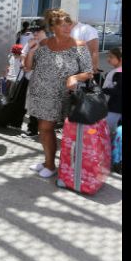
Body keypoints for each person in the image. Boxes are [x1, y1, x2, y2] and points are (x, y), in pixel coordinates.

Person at [25, 9, 93, 178]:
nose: (67, 27)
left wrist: (75, 77)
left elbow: (89, 72)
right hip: (39, 93)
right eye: (62, 24)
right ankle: (47, 161)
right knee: (44, 129)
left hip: (62, 96)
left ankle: (50, 164)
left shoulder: (79, 46)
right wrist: (31, 50)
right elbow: (28, 67)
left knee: (45, 128)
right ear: (52, 26)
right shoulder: (44, 44)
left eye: (68, 23)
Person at [20, 21, 47, 138]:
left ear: (44, 31)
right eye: (33, 31)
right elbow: (23, 54)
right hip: (30, 78)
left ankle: (38, 129)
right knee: (32, 105)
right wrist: (23, 63)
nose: (35, 34)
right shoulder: (31, 42)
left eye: (37, 31)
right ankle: (33, 129)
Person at [102, 47, 122, 136]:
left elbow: (118, 91)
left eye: (111, 57)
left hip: (115, 108)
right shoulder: (116, 71)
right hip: (114, 107)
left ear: (120, 59)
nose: (108, 59)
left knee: (108, 132)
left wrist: (103, 90)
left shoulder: (119, 72)